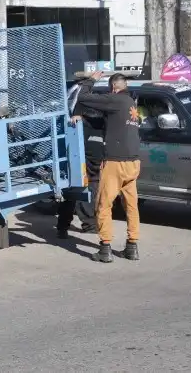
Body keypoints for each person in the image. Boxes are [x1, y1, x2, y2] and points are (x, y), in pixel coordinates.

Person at [71, 71, 142, 263]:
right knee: (131, 205)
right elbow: (107, 123)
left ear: (113, 88)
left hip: (116, 162)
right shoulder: (130, 103)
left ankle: (105, 249)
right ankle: (132, 247)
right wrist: (84, 117)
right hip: (133, 163)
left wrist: (91, 80)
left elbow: (83, 97)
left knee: (103, 205)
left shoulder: (115, 100)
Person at [58, 98, 103, 238]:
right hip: (86, 166)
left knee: (74, 195)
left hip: (86, 166)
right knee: (83, 194)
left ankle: (64, 226)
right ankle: (87, 225)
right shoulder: (97, 125)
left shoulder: (81, 124)